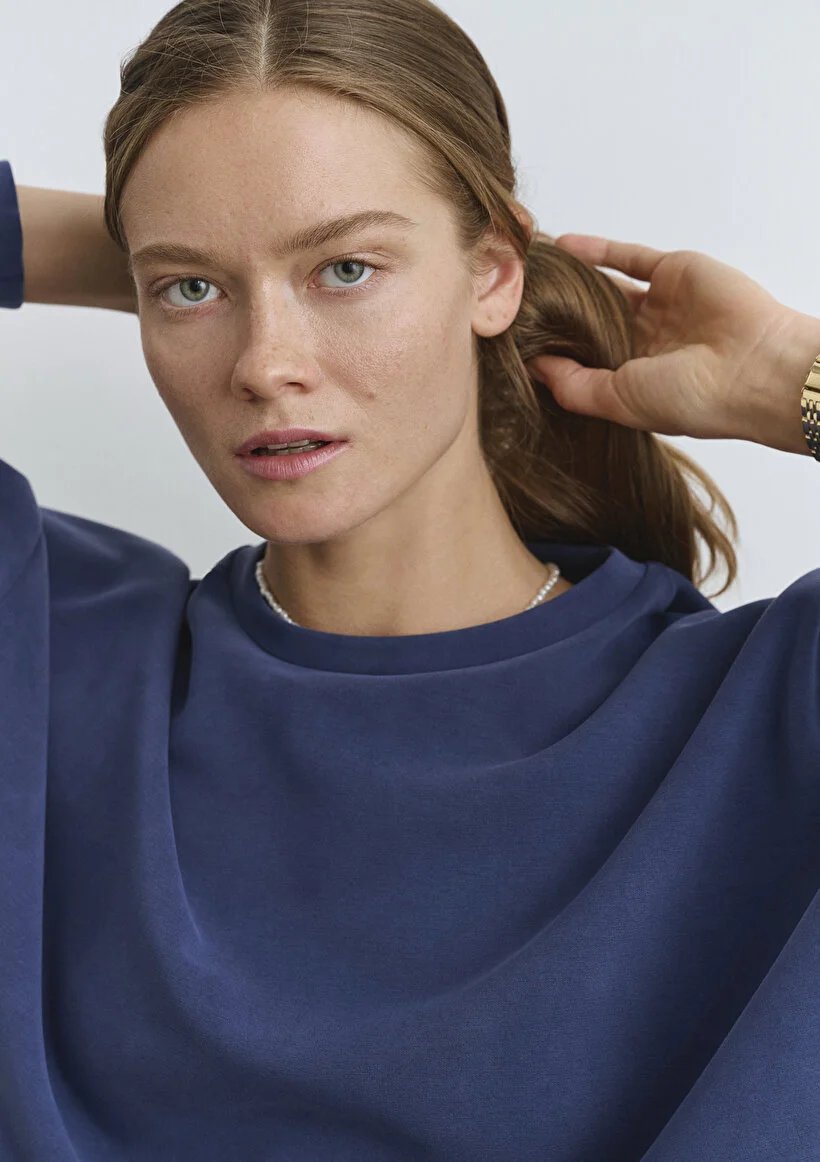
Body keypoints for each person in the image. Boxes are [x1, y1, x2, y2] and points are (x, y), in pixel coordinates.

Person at [1, 1, 818, 1159]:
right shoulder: (52, 644)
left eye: (346, 267)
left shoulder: (760, 717)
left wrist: (794, 379)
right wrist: (156, 245)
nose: (266, 364)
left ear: (492, 273)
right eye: (189, 295)